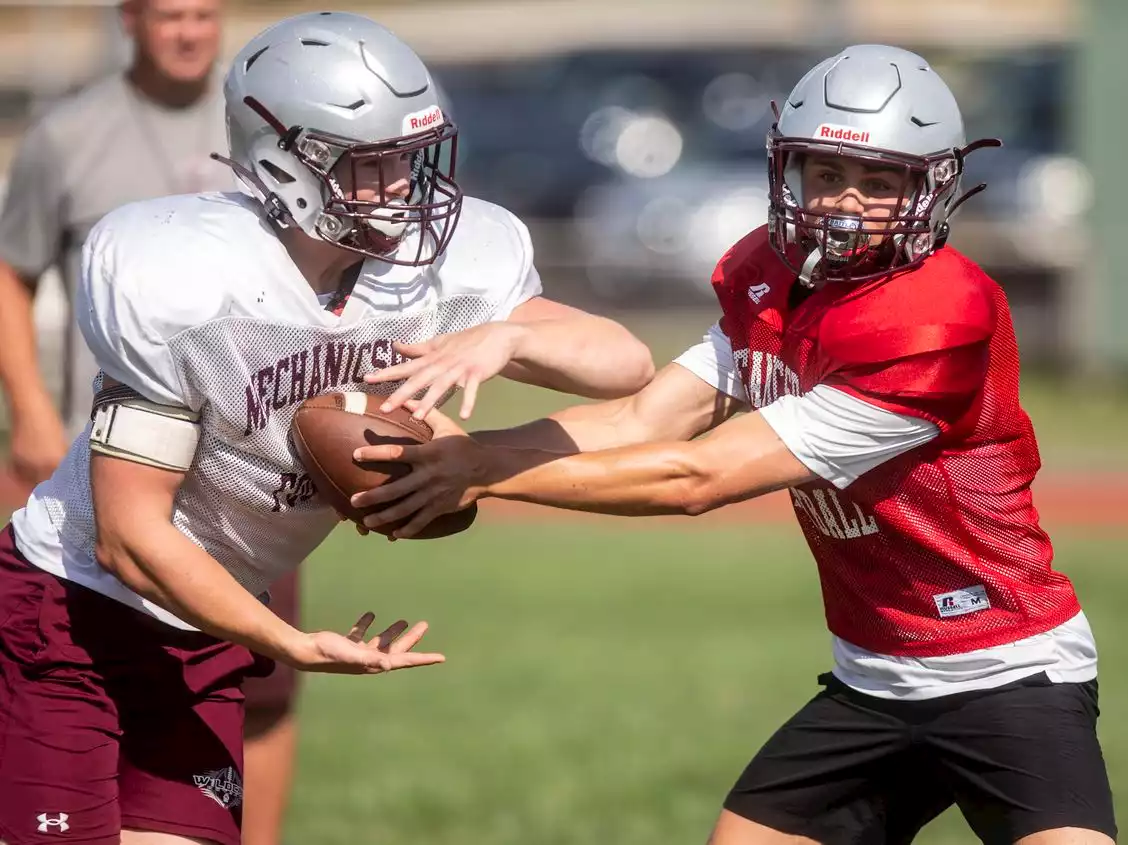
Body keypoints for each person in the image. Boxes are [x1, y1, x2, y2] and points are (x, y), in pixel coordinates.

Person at [350, 45, 1117, 845]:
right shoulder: (772, 278)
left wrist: (483, 474)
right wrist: (470, 453)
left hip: (1006, 667)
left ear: (930, 189)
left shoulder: (934, 320)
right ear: (790, 173)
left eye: (879, 182)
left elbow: (696, 477)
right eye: (825, 175)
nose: (845, 203)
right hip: (872, 676)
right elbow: (646, 421)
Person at [0, 12, 653, 845]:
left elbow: (625, 362)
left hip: (203, 630)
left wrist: (512, 334)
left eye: (411, 160)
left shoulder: (439, 270)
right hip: (72, 615)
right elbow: (128, 539)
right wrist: (287, 640)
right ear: (284, 162)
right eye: (374, 164)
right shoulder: (185, 279)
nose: (406, 188)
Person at [0, 3, 302, 843]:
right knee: (76, 665)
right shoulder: (71, 134)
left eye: (205, 14)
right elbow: (10, 273)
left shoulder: (263, 129)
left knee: (263, 686)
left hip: (241, 478)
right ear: (129, 20)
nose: (190, 32)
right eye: (170, 14)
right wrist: (27, 409)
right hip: (96, 455)